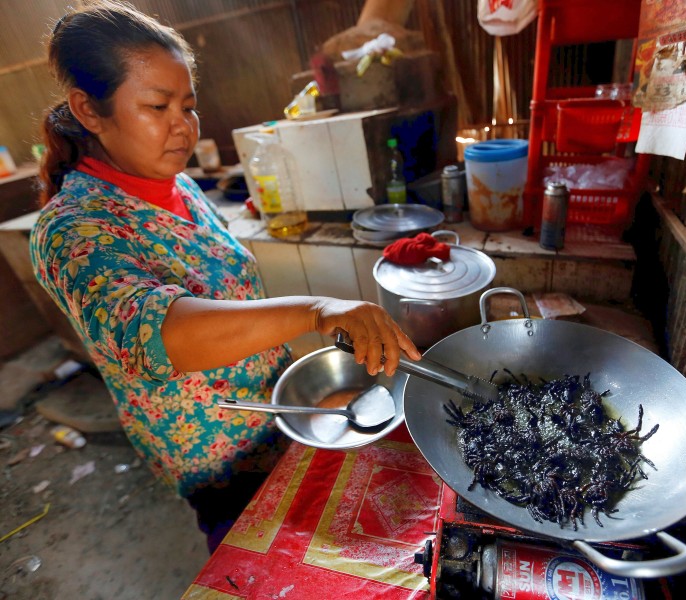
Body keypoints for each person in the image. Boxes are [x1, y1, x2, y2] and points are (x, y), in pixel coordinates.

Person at [30, 1, 421, 554]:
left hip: (278, 420)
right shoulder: (71, 229)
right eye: (157, 106)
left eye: (187, 106)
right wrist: (316, 310)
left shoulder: (179, 187)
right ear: (89, 111)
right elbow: (157, 333)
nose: (182, 127)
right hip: (220, 464)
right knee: (256, 567)